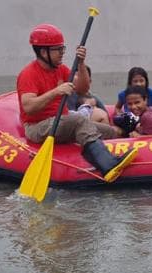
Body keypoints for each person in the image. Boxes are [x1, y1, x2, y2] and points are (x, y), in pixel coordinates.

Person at [16, 23, 133, 182]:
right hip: (38, 126)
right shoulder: (28, 74)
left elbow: (83, 88)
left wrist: (81, 64)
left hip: (62, 122)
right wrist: (56, 92)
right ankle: (107, 164)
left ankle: (112, 156)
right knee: (78, 120)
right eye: (58, 49)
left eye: (62, 49)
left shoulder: (60, 69)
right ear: (43, 52)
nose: (62, 53)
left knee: (109, 131)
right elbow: (29, 107)